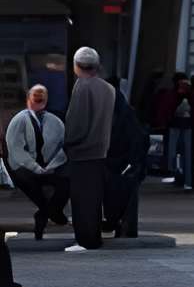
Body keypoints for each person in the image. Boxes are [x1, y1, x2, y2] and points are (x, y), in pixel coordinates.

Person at [62, 46, 116, 252]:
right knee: (94, 199)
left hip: (82, 152)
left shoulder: (82, 86)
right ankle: (93, 237)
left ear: (76, 66)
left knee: (81, 199)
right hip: (100, 150)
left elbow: (77, 124)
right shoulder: (108, 89)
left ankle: (85, 240)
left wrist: (66, 142)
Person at [4, 84, 68, 239]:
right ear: (28, 99)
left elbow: (63, 147)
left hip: (47, 166)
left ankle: (47, 213)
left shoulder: (55, 122)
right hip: (22, 167)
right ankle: (50, 213)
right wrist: (35, 167)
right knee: (34, 187)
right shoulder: (19, 120)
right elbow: (16, 150)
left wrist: (52, 166)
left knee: (66, 183)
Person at [104, 78, 148, 239]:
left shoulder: (105, 110)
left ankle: (111, 222)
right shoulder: (127, 113)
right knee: (128, 196)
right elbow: (139, 139)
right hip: (127, 166)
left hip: (111, 165)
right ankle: (125, 229)